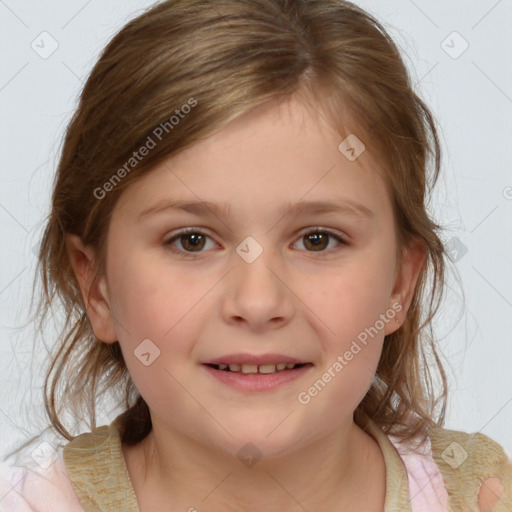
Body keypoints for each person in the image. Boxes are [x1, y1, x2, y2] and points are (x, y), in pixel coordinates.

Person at [1, 0, 510, 510]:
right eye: (191, 240)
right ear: (97, 287)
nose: (259, 301)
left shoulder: (481, 495)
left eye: (318, 240)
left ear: (400, 283)